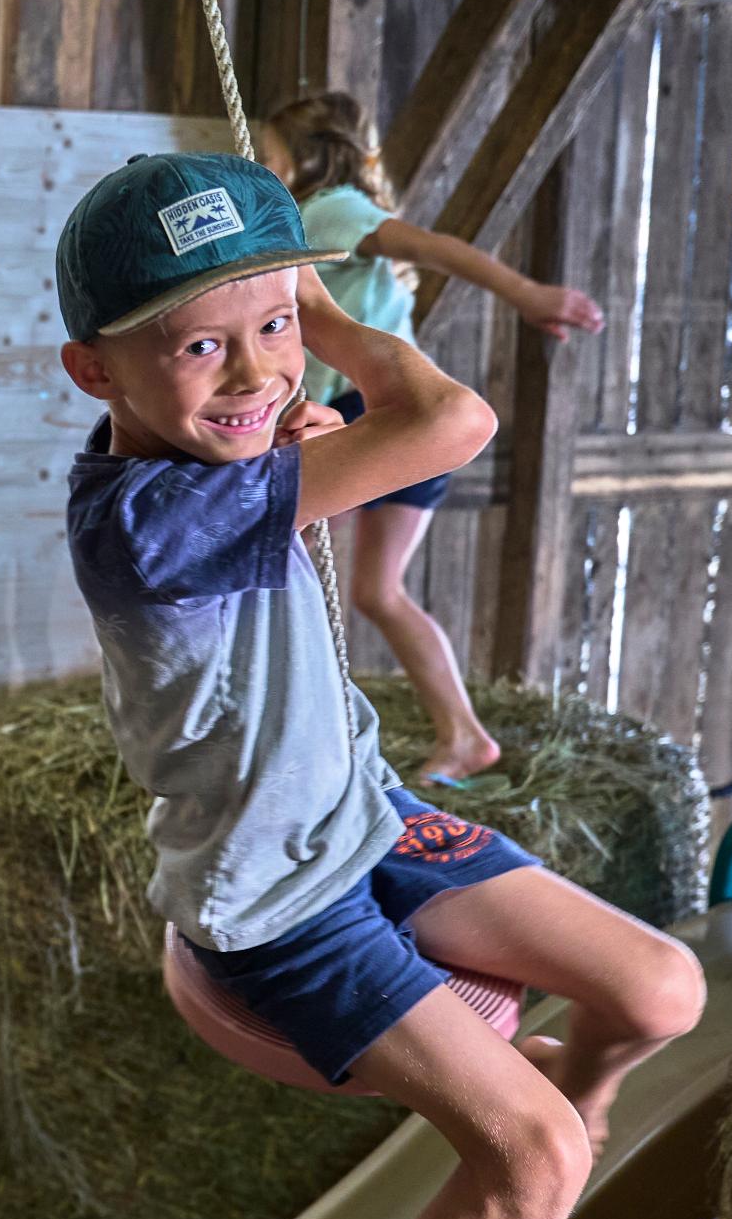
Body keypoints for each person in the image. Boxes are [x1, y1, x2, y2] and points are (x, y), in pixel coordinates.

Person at [54, 151, 702, 1219]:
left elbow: (355, 441)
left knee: (663, 988)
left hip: (366, 815)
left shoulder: (237, 459)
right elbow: (455, 421)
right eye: (201, 347)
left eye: (273, 327)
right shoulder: (150, 521)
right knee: (531, 1160)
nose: (252, 372)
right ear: (95, 369)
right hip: (273, 901)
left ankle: (574, 1087)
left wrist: (294, 385)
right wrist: (328, 317)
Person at [259, 92, 605, 786]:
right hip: (394, 416)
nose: (261, 167)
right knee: (375, 591)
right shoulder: (318, 218)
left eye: (267, 157)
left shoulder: (327, 213)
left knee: (292, 558)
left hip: (372, 412)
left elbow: (431, 246)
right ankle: (463, 734)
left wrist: (525, 293)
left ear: (303, 160)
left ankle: (299, 732)